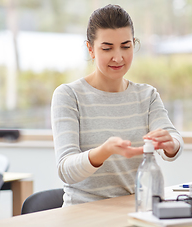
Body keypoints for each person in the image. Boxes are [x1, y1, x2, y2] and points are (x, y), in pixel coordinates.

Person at [51, 4, 183, 206]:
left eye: (125, 46)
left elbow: (174, 141)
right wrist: (105, 150)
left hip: (135, 208)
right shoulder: (69, 96)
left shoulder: (146, 95)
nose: (118, 57)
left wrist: (170, 144)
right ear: (90, 49)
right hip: (85, 215)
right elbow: (66, 170)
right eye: (107, 48)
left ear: (134, 44)